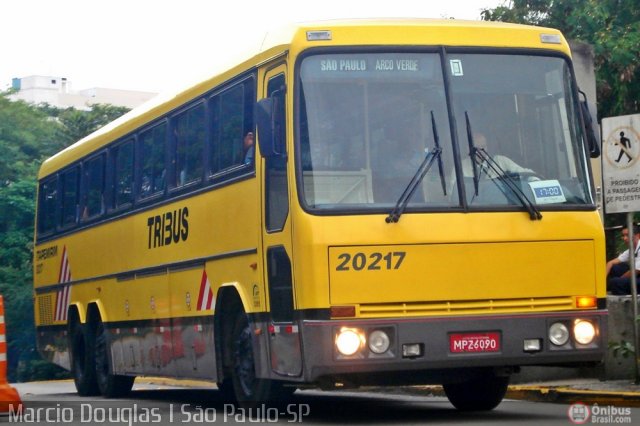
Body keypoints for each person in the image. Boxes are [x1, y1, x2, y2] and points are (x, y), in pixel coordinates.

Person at [461, 133, 534, 178]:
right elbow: (453, 195)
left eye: (483, 147)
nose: (481, 151)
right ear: (468, 149)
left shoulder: (501, 161)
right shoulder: (460, 168)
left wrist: (535, 180)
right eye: (477, 148)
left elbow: (525, 174)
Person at [606, 226, 640, 295]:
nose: (624, 238)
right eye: (623, 236)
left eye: (627, 235)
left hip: (637, 275)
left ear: (637, 235)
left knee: (615, 282)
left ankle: (627, 297)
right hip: (636, 275)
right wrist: (601, 282)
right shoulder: (631, 249)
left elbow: (635, 271)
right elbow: (611, 263)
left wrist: (620, 279)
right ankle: (616, 286)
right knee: (615, 267)